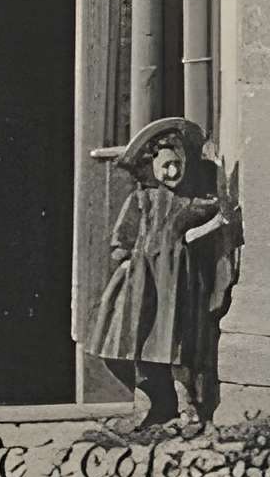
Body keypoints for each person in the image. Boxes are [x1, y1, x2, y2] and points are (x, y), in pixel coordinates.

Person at [85, 115, 233, 436]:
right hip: (143, 283)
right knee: (135, 341)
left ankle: (187, 407)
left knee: (176, 343)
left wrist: (207, 226)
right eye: (162, 166)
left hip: (179, 283)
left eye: (175, 165)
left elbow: (221, 218)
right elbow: (121, 242)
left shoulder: (195, 203)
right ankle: (148, 406)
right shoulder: (142, 199)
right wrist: (125, 263)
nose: (169, 173)